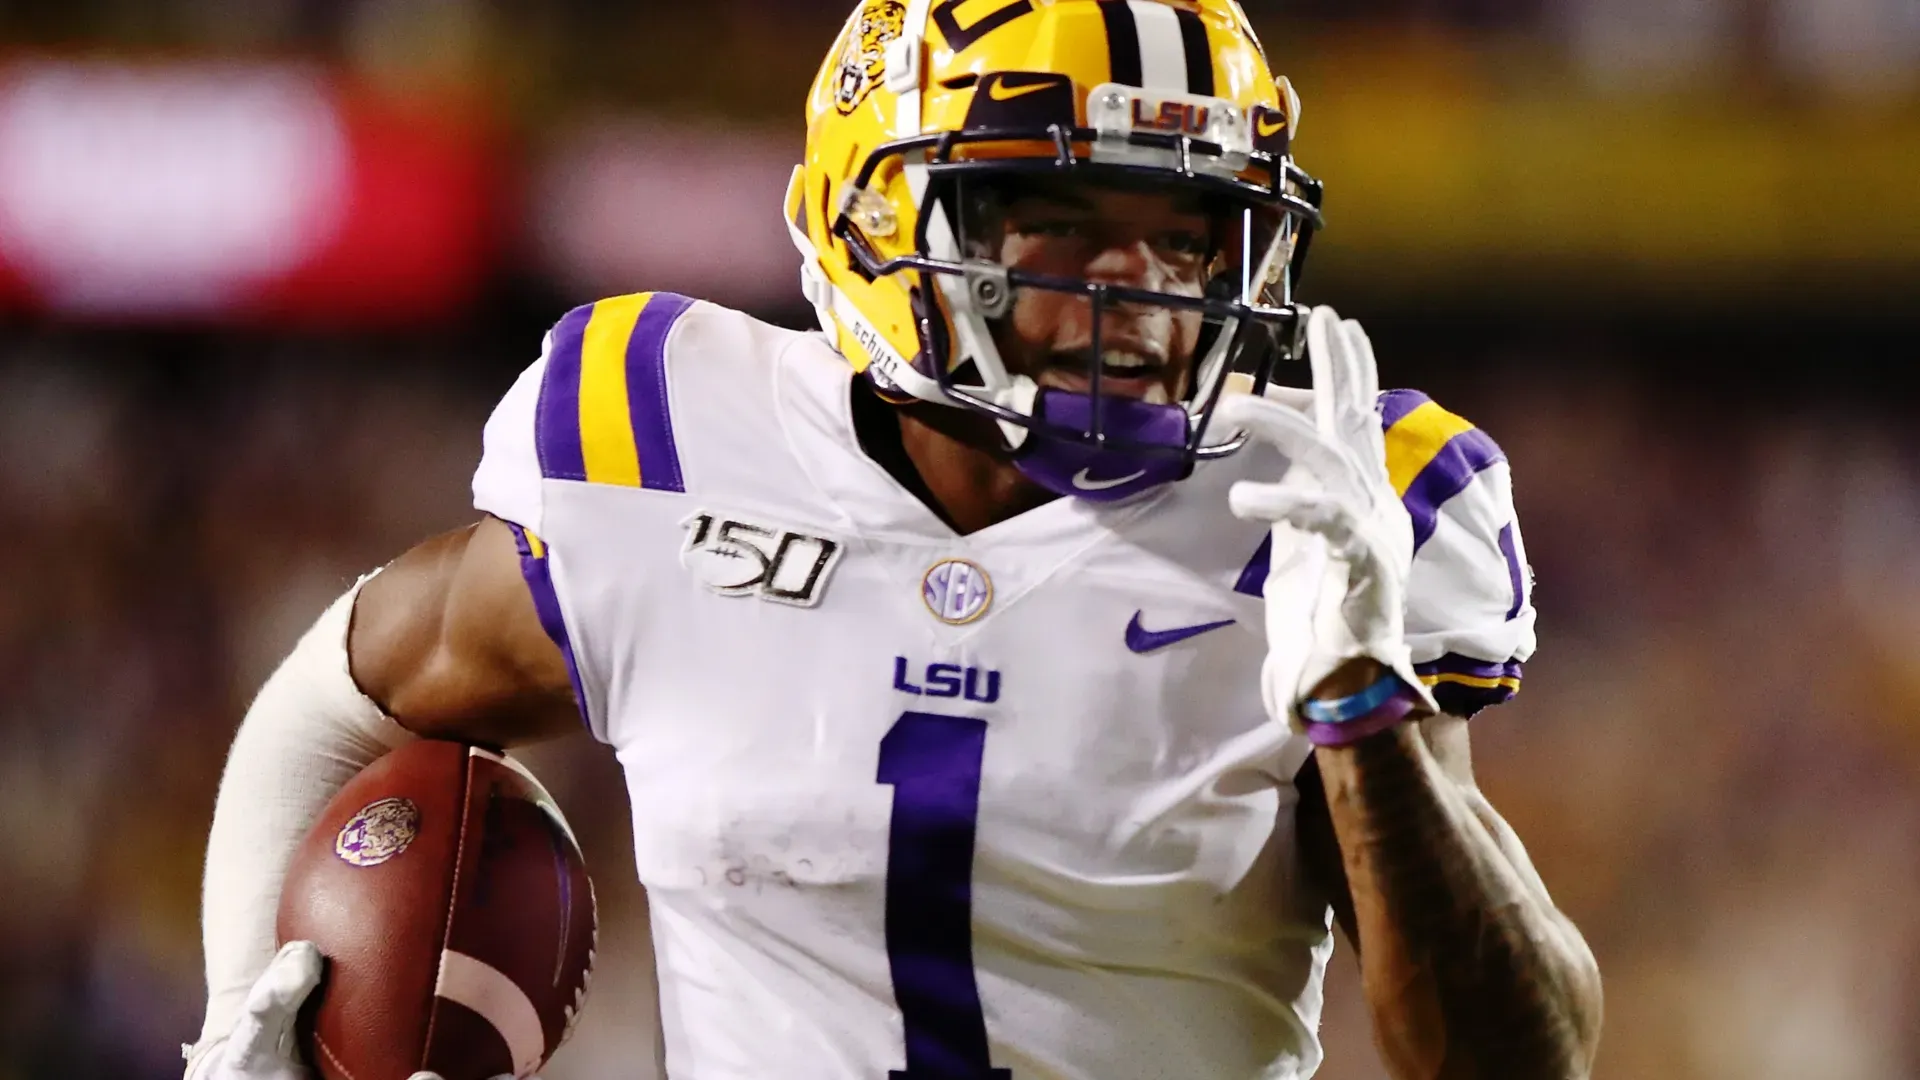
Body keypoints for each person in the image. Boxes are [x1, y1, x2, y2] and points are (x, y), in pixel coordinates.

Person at [185, 2, 1602, 1078]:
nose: (1143, 293)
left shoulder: (1327, 507)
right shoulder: (675, 446)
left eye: (1188, 236)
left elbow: (1518, 1054)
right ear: (869, 217)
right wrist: (232, 1013)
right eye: (1055, 223)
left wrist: (1365, 711)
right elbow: (344, 695)